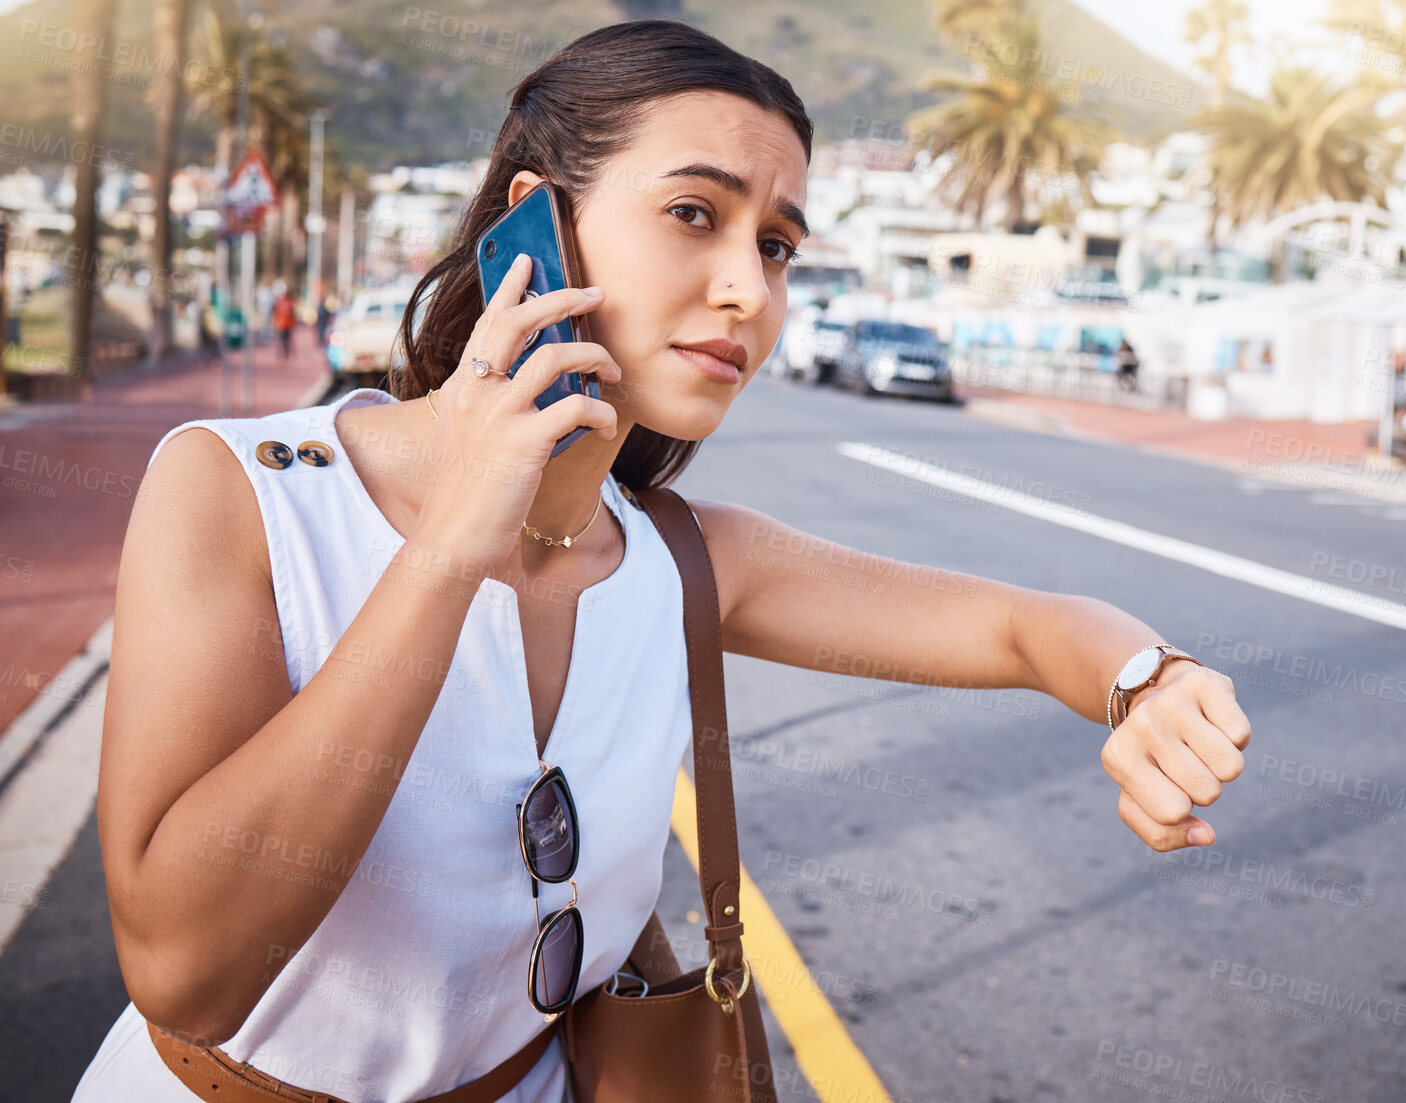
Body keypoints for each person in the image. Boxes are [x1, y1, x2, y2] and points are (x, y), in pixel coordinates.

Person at [72, 21, 1252, 1103]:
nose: (750, 288)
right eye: (696, 212)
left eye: (777, 244)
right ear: (538, 222)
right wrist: (448, 547)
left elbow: (1021, 627)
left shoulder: (686, 558)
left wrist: (1147, 679)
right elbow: (188, 971)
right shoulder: (243, 490)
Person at [272, 287, 296, 360]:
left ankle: (285, 353)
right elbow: (275, 312)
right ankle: (281, 353)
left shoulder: (289, 301)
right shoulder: (279, 302)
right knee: (281, 340)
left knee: (286, 340)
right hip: (281, 324)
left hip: (287, 324)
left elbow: (292, 313)